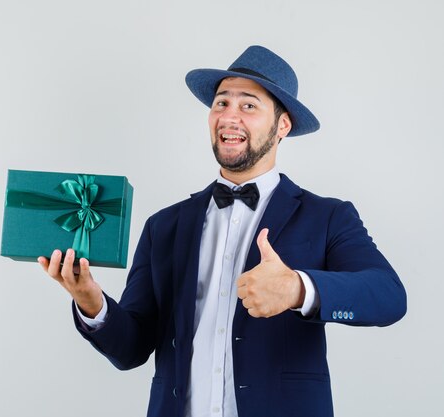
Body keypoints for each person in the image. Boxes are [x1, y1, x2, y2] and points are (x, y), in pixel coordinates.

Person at [38, 45, 407, 417]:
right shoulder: (163, 226)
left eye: (248, 106)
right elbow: (131, 349)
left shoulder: (327, 216)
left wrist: (297, 288)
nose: (229, 117)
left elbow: (389, 296)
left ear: (282, 125)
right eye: (220, 104)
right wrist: (90, 300)